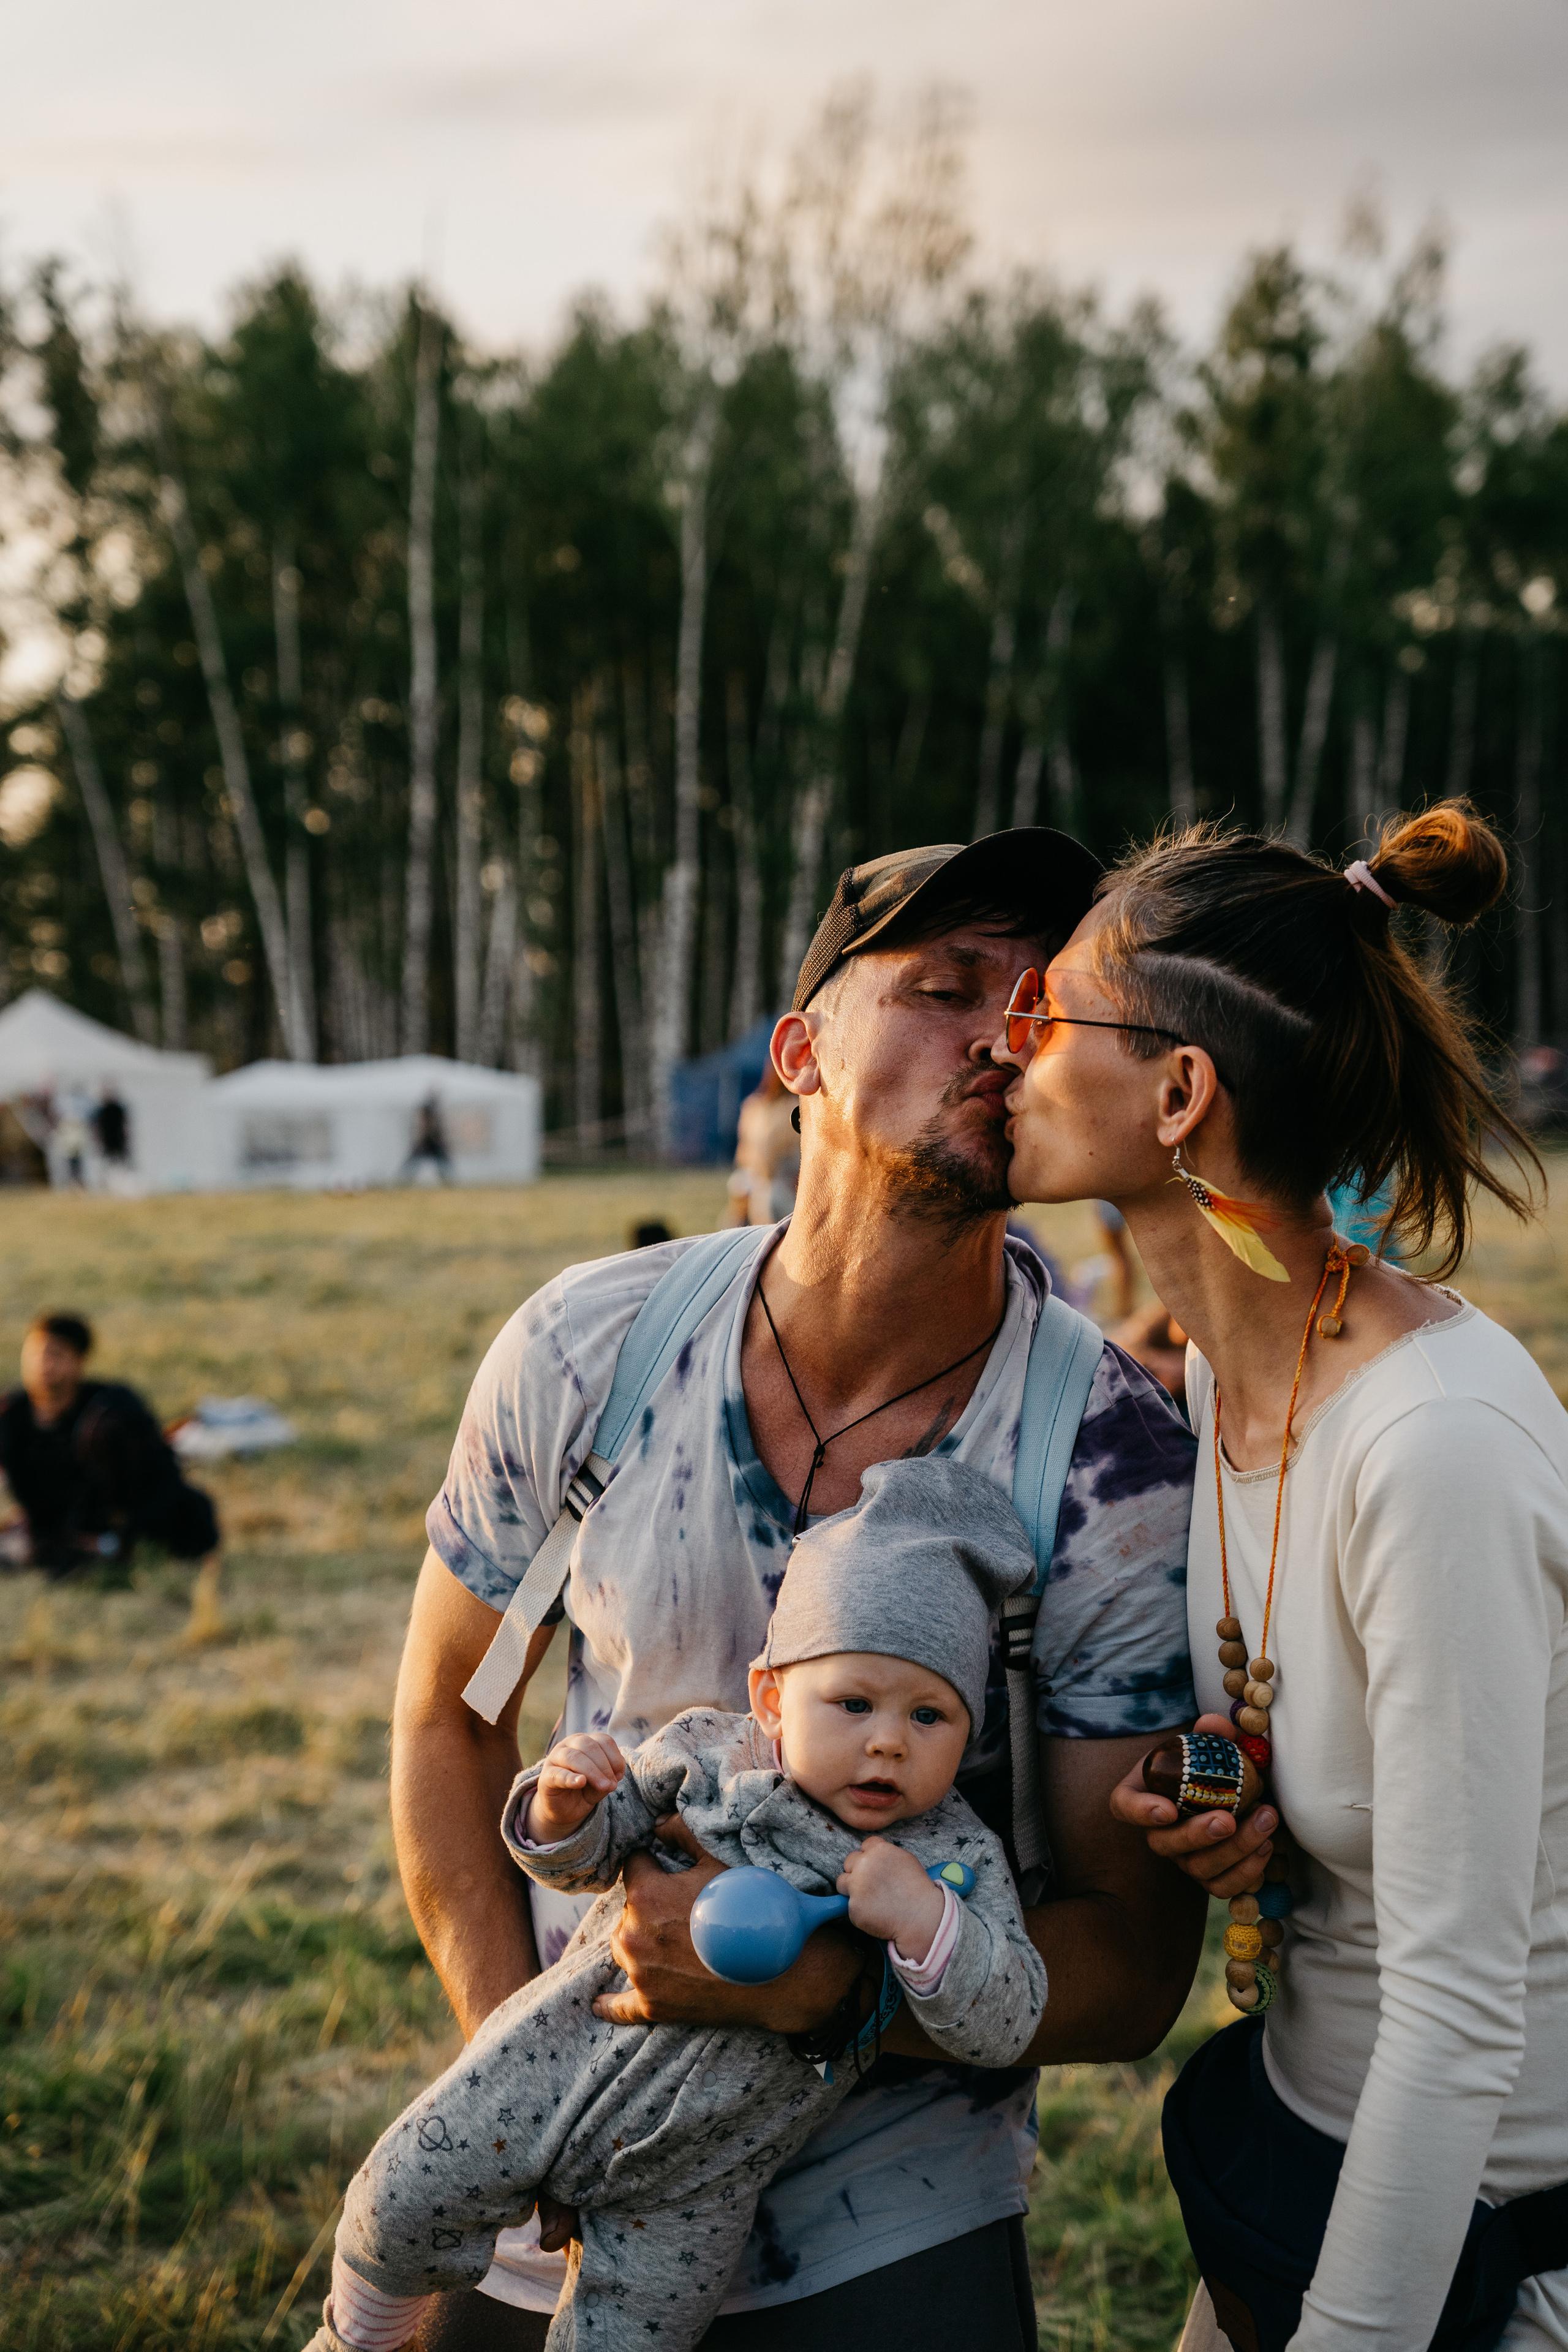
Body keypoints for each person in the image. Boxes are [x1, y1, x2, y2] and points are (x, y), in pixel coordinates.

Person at [393, 828, 1205, 2351]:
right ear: (799, 1052)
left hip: (893, 2206)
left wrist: (839, 1996)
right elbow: (450, 1714)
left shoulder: (1106, 1456)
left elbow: (1130, 1956)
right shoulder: (590, 1346)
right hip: (555, 2140)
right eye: (945, 986)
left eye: (1034, 1007)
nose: (996, 1036)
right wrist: (518, 2071)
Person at [995, 803, 1568, 2352]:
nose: (1006, 1039)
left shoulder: (1430, 1444)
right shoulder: (1219, 1383)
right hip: (1300, 2171)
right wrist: (1247, 1810)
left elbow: (1455, 2010)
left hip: (1480, 2246)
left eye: (1045, 1009)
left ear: (1178, 1092)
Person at [311, 1460, 1049, 2352]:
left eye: (931, 1716)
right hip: (553, 2062)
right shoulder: (709, 1753)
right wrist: (562, 1807)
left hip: (703, 2173)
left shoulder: (949, 1857)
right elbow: (586, 1859)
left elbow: (1008, 2019)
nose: (888, 1741)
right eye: (853, 1703)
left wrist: (925, 1923)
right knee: (403, 2195)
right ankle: (357, 2340)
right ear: (772, 1699)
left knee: (638, 2333)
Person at [0, 1313, 219, 1575]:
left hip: (125, 1522)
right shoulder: (12, 1415)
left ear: (79, 1361)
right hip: (55, 1526)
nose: (42, 1365)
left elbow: (161, 1480)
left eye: (55, 1355)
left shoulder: (110, 1412)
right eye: (34, 1354)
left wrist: (121, 1535)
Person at [724, 1063, 800, 1226]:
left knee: (772, 1200)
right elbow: (744, 1152)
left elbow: (797, 1153)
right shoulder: (753, 1107)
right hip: (755, 1177)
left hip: (784, 1179)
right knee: (736, 1200)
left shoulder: (794, 1108)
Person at [402, 1096, 454, 1184]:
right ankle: (404, 1181)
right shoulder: (429, 1112)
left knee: (444, 1165)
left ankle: (449, 1181)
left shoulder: (434, 1115)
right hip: (426, 1142)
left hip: (432, 1142)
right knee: (411, 1165)